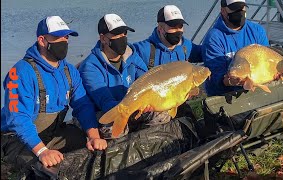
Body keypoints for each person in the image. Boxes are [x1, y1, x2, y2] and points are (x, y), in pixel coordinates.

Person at [1, 16, 107, 178]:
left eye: (66, 37)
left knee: (96, 148)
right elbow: (18, 119)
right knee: (43, 171)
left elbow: (83, 106)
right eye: (57, 37)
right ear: (42, 40)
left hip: (53, 134)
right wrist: (42, 151)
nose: (64, 41)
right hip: (17, 140)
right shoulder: (21, 73)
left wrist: (93, 137)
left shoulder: (70, 71)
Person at [78, 14, 149, 139]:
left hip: (133, 107)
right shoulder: (90, 67)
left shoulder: (133, 57)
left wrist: (147, 102)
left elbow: (146, 83)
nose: (122, 38)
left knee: (160, 114)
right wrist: (134, 108)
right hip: (106, 112)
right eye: (117, 34)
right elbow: (105, 102)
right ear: (103, 38)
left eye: (124, 34)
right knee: (113, 128)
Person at [202, 0, 270, 96]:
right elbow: (215, 76)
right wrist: (230, 81)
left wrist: (272, 73)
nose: (239, 12)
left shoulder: (257, 30)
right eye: (234, 8)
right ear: (223, 11)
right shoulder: (213, 38)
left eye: (242, 8)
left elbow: (266, 58)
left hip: (253, 89)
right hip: (224, 95)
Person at [133, 5, 202, 69]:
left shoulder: (186, 46)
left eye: (180, 27)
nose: (177, 31)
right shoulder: (143, 50)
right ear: (160, 28)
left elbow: (207, 52)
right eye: (173, 27)